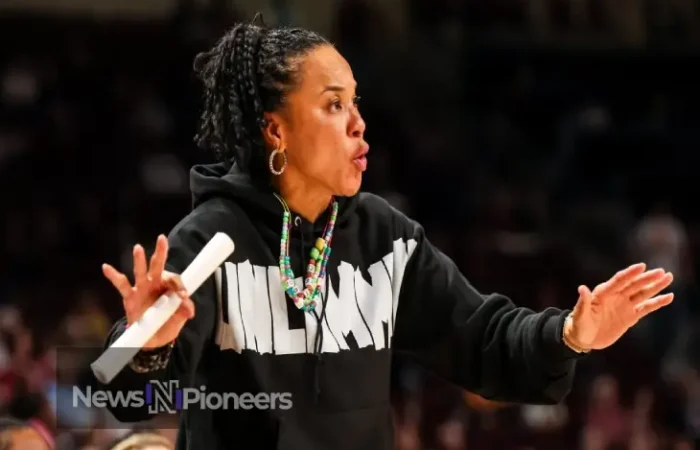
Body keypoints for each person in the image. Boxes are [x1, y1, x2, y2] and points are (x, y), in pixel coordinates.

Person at [97, 19, 675, 450]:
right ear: (276, 130)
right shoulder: (210, 239)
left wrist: (572, 332)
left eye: (355, 102)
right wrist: (147, 345)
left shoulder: (385, 237)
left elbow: (486, 340)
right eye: (332, 105)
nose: (358, 122)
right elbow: (118, 398)